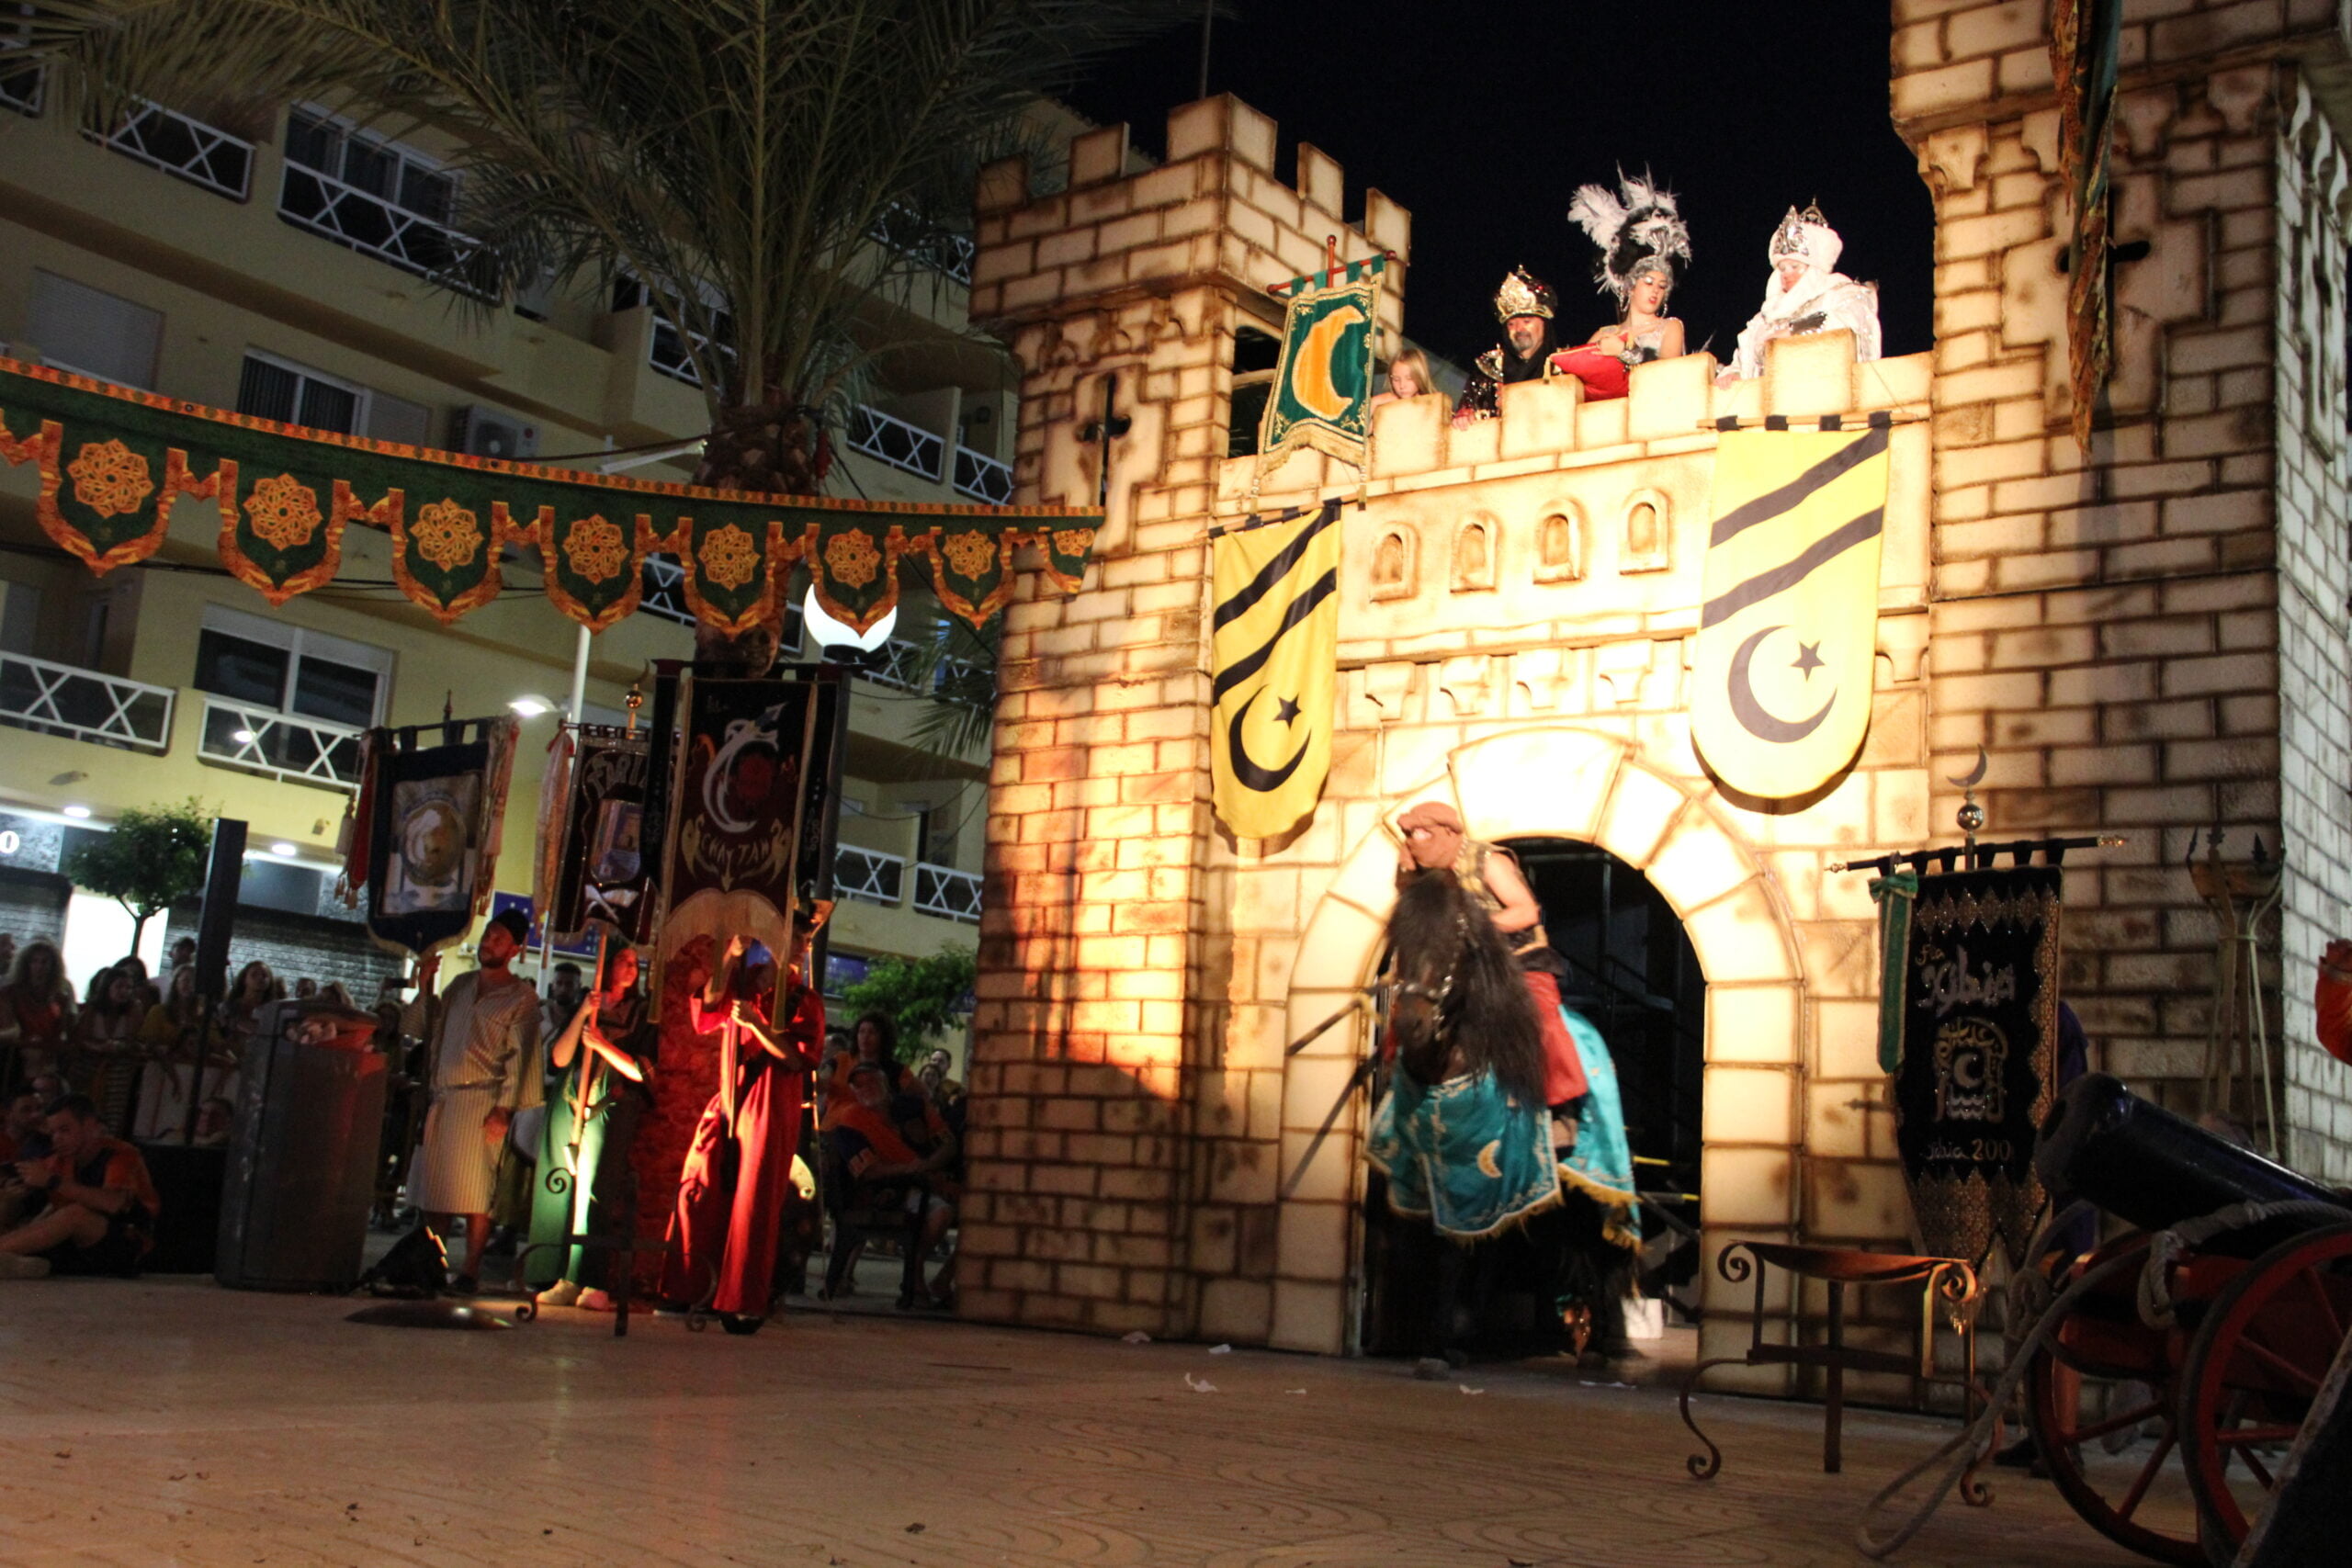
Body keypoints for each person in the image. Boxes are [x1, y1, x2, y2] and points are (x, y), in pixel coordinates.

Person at [658, 913, 828, 1331]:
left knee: (754, 1200)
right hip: (730, 1093)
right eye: (795, 938)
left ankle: (740, 1299)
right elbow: (708, 1010)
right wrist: (730, 955)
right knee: (699, 1184)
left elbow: (795, 1057)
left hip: (771, 1099)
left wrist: (756, 1024)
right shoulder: (747, 977)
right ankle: (688, 1287)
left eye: (805, 940)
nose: (802, 947)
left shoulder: (803, 998)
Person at [1395, 803, 1589, 1140]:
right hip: (1457, 963)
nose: (1415, 840)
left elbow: (1525, 911)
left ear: (1448, 833)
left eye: (1424, 833)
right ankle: (1399, 1100)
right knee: (1410, 1014)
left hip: (1515, 958)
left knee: (1541, 1017)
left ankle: (1560, 1109)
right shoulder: (1418, 870)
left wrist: (1474, 927)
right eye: (1411, 834)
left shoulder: (1487, 861)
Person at [405, 909, 541, 1292]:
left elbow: (522, 1054)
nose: (489, 943)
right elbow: (424, 1030)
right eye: (488, 935)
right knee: (437, 1190)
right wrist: (425, 986)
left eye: (499, 939)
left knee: (477, 1193)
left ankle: (470, 1271)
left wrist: (504, 1109)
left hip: (484, 1099)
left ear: (514, 949)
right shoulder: (460, 986)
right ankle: (434, 1263)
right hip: (445, 1097)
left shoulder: (521, 997)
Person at [530, 943, 657, 1310]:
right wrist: (585, 1013)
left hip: (610, 1106)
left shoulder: (642, 1014)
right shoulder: (588, 1006)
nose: (630, 968)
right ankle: (561, 1273)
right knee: (563, 1191)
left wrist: (602, 1044)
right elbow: (559, 1058)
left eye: (634, 962)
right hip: (571, 1105)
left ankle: (591, 1280)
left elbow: (642, 1071)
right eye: (622, 960)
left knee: (595, 1195)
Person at [827, 1060, 959, 1309]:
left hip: (933, 1181)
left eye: (871, 1082)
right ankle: (915, 1272)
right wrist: (912, 1169)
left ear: (886, 1084)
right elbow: (867, 1171)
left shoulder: (914, 1107)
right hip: (888, 1192)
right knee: (940, 1213)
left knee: (980, 1219)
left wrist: (930, 1164)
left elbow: (948, 1143)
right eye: (858, 1085)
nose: (865, 1088)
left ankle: (936, 1278)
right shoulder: (851, 1120)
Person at [1552, 172, 1691, 401]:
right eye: (1648, 283)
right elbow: (1573, 378)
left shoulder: (1670, 327)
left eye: (1662, 286)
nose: (1655, 290)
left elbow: (1668, 374)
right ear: (1630, 287)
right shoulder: (1605, 333)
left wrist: (1625, 353)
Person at [1719, 201, 1882, 386]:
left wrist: (1794, 331)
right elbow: (1745, 358)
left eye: (1795, 267)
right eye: (1782, 268)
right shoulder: (1764, 318)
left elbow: (1850, 326)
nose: (1787, 274)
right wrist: (1734, 374)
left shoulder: (1841, 294)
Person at [0, 1094, 161, 1280]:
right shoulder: (60, 1160)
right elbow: (19, 1172)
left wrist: (53, 1182)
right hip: (79, 1248)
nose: (57, 1139)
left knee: (76, 1214)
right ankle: (16, 1262)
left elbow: (113, 1202)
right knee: (8, 1202)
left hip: (127, 1246)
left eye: (65, 1130)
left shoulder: (121, 1154)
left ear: (90, 1126)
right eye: (52, 1133)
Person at [1453, 268, 1564, 427]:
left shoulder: (1564, 367)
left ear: (1544, 325)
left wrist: (1519, 400)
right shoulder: (1487, 372)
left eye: (1527, 321)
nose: (1519, 330)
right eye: (1512, 324)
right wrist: (1464, 416)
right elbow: (1470, 412)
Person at [70, 965, 145, 1130]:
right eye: (119, 986)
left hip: (119, 1067)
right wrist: (101, 1047)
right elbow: (79, 1039)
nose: (124, 991)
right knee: (83, 1106)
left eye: (128, 987)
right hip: (89, 1064)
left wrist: (119, 1047)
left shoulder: (134, 1009)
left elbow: (134, 1039)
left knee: (113, 1110)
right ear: (107, 987)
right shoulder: (92, 1009)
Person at [0, 938, 75, 1089]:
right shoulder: (10, 993)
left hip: (47, 1062)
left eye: (44, 962)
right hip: (13, 1059)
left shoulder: (61, 998)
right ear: (26, 964)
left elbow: (64, 1031)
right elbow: (8, 1027)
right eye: (34, 961)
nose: (39, 967)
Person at [1370, 346, 1437, 412]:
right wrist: (1374, 402)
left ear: (1421, 376)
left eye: (1409, 378)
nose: (1402, 385)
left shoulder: (1434, 407)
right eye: (1396, 379)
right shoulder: (1384, 403)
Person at [540, 962, 584, 1042]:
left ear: (578, 987)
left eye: (569, 984)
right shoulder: (539, 1014)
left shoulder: (581, 1020)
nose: (563, 989)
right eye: (559, 983)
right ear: (553, 985)